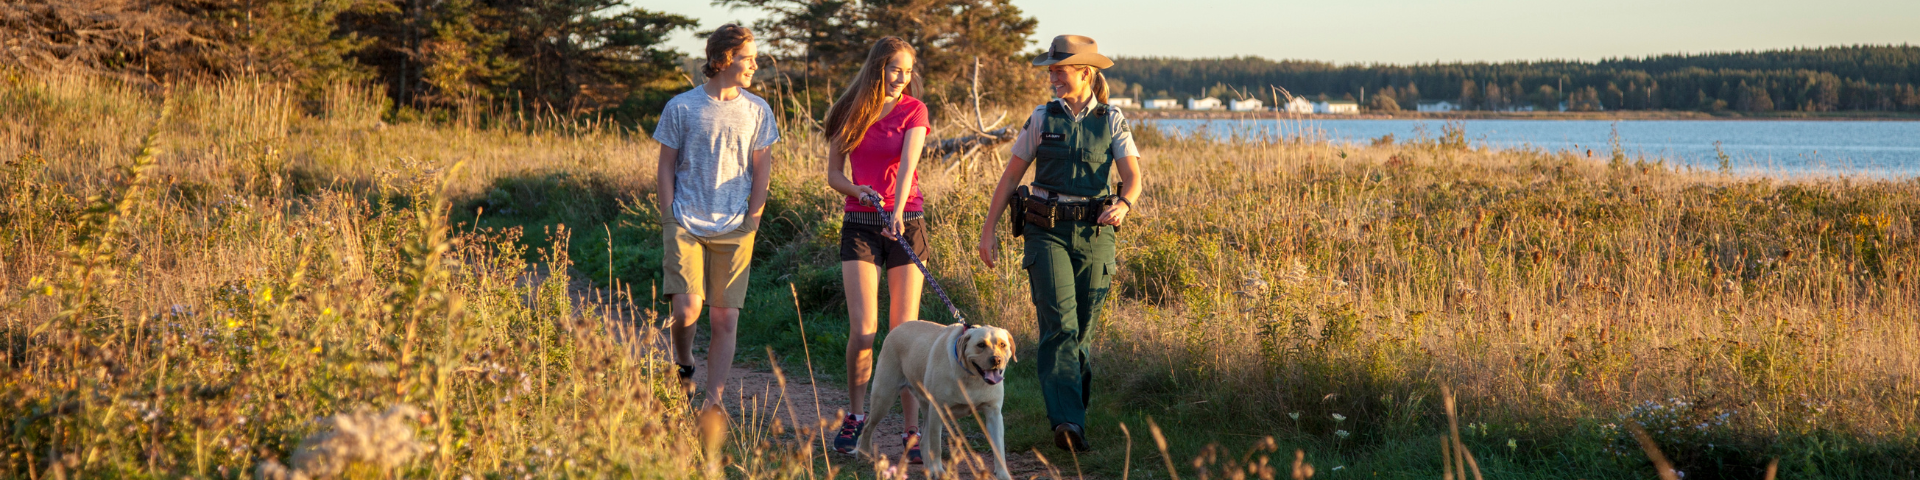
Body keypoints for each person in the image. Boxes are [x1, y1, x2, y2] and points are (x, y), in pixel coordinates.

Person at [976, 34, 1142, 452]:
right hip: (1044, 232)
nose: (1051, 76)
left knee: (1081, 333)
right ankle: (1067, 423)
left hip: (1097, 237)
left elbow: (1134, 177)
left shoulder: (1112, 120)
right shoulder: (1040, 118)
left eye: (1058, 69)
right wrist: (988, 229)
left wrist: (1124, 203)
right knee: (1060, 326)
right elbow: (1011, 178)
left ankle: (1074, 415)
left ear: (1085, 72)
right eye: (1050, 69)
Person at [650, 24, 779, 409]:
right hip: (685, 222)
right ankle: (685, 362)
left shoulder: (758, 110)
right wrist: (669, 216)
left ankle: (714, 400)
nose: (755, 65)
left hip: (736, 226)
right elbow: (665, 167)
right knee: (685, 310)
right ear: (724, 59)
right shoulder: (681, 107)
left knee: (725, 319)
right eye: (748, 58)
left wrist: (753, 221)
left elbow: (762, 171)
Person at [820, 37, 931, 463]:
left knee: (904, 334)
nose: (902, 78)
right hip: (860, 224)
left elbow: (908, 167)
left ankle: (910, 430)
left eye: (908, 71)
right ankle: (856, 414)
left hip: (907, 224)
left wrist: (898, 211)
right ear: (877, 68)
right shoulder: (850, 109)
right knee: (864, 331)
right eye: (894, 69)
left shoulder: (914, 110)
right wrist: (859, 191)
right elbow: (833, 174)